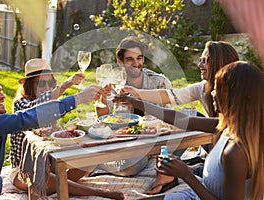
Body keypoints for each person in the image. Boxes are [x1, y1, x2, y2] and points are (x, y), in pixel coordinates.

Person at [0, 71, 124, 199]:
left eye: (1, 90)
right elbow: (24, 118)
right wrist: (78, 98)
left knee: (85, 161)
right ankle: (100, 193)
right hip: (6, 174)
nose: (3, 95)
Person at [122, 41, 239, 194]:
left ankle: (188, 171)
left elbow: (186, 120)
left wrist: (186, 173)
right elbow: (170, 96)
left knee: (190, 123)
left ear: (220, 63)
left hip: (223, 152)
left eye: (205, 60)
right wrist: (137, 94)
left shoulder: (236, 144)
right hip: (216, 147)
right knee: (190, 120)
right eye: (200, 60)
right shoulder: (203, 87)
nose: (200, 65)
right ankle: (184, 171)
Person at [143, 61, 264, 200]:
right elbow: (182, 119)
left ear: (232, 97)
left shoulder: (235, 153)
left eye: (217, 88)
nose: (212, 92)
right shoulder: (228, 127)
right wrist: (137, 102)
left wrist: (186, 175)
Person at [95, 36, 173, 177]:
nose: (136, 63)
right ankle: (101, 163)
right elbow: (102, 119)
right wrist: (102, 98)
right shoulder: (115, 84)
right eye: (129, 59)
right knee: (134, 164)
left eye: (139, 58)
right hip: (128, 145)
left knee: (178, 148)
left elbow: (171, 119)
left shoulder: (160, 82)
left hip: (156, 141)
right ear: (120, 62)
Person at [9, 58, 91, 188]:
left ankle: (58, 185)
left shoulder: (50, 107)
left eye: (51, 83)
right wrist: (66, 85)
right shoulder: (20, 104)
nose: (47, 88)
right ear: (29, 85)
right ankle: (99, 193)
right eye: (41, 83)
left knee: (90, 161)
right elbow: (36, 108)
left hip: (48, 164)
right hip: (23, 169)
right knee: (41, 180)